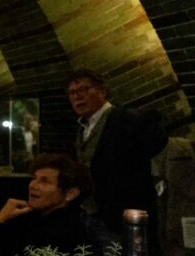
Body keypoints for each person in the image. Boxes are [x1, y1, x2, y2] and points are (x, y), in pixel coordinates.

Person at [68, 69, 167, 232]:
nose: (78, 96)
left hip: (121, 215)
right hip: (90, 213)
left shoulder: (127, 119)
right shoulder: (80, 129)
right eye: (72, 93)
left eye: (84, 89)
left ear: (103, 91)